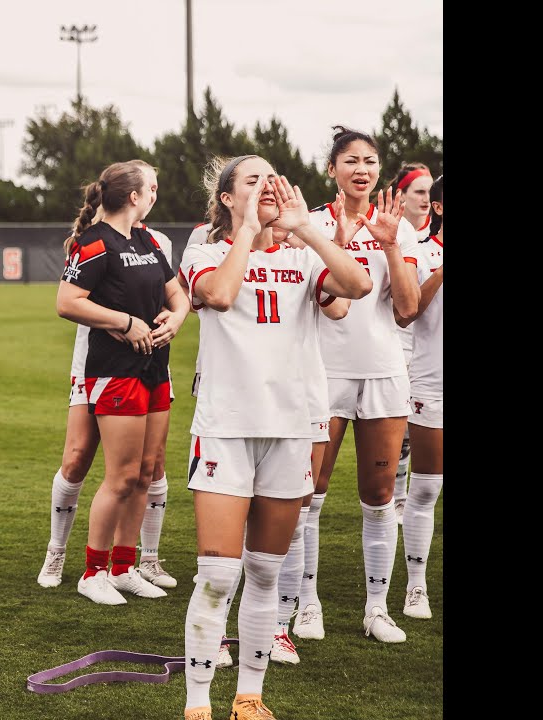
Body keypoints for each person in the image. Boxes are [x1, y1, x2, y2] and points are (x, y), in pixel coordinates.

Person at [178, 157, 372, 720]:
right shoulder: (204, 251)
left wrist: (306, 228)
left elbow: (357, 285)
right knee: (218, 575)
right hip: (226, 428)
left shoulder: (302, 255)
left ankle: (249, 697)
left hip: (291, 430)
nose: (267, 186)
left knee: (265, 571)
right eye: (252, 180)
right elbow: (219, 295)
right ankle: (197, 703)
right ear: (226, 197)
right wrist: (246, 229)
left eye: (272, 178)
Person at [292, 126, 421, 645]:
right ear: (332, 169)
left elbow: (407, 309)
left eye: (369, 161)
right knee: (309, 493)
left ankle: (377, 609)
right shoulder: (312, 224)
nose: (361, 169)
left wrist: (389, 245)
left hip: (385, 371)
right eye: (350, 161)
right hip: (323, 372)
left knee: (380, 495)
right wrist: (337, 247)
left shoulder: (398, 227)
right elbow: (326, 301)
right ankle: (306, 604)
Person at [56, 159, 189, 606]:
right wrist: (124, 321)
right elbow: (67, 302)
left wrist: (177, 318)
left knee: (146, 473)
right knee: (122, 476)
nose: (154, 195)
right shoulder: (94, 242)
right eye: (151, 189)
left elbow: (177, 293)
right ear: (134, 196)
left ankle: (123, 567)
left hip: (155, 368)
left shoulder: (147, 239)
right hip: (115, 370)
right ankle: (92, 572)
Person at [396, 174, 442, 620]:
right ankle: (416, 586)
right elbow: (407, 313)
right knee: (425, 488)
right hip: (433, 385)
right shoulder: (425, 254)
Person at [382, 162, 432, 522]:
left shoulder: (435, 235)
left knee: (418, 428)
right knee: (399, 425)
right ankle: (397, 495)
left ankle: (412, 494)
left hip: (427, 343)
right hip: (396, 336)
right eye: (419, 191)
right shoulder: (393, 230)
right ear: (401, 195)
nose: (426, 199)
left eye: (431, 192)